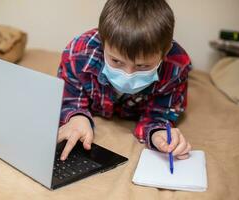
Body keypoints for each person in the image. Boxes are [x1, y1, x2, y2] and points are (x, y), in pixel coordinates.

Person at [57, 0, 192, 161]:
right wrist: (77, 117)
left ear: (165, 52)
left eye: (143, 66)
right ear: (103, 42)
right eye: (116, 61)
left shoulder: (176, 67)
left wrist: (158, 133)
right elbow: (69, 100)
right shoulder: (77, 54)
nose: (128, 74)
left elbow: (160, 114)